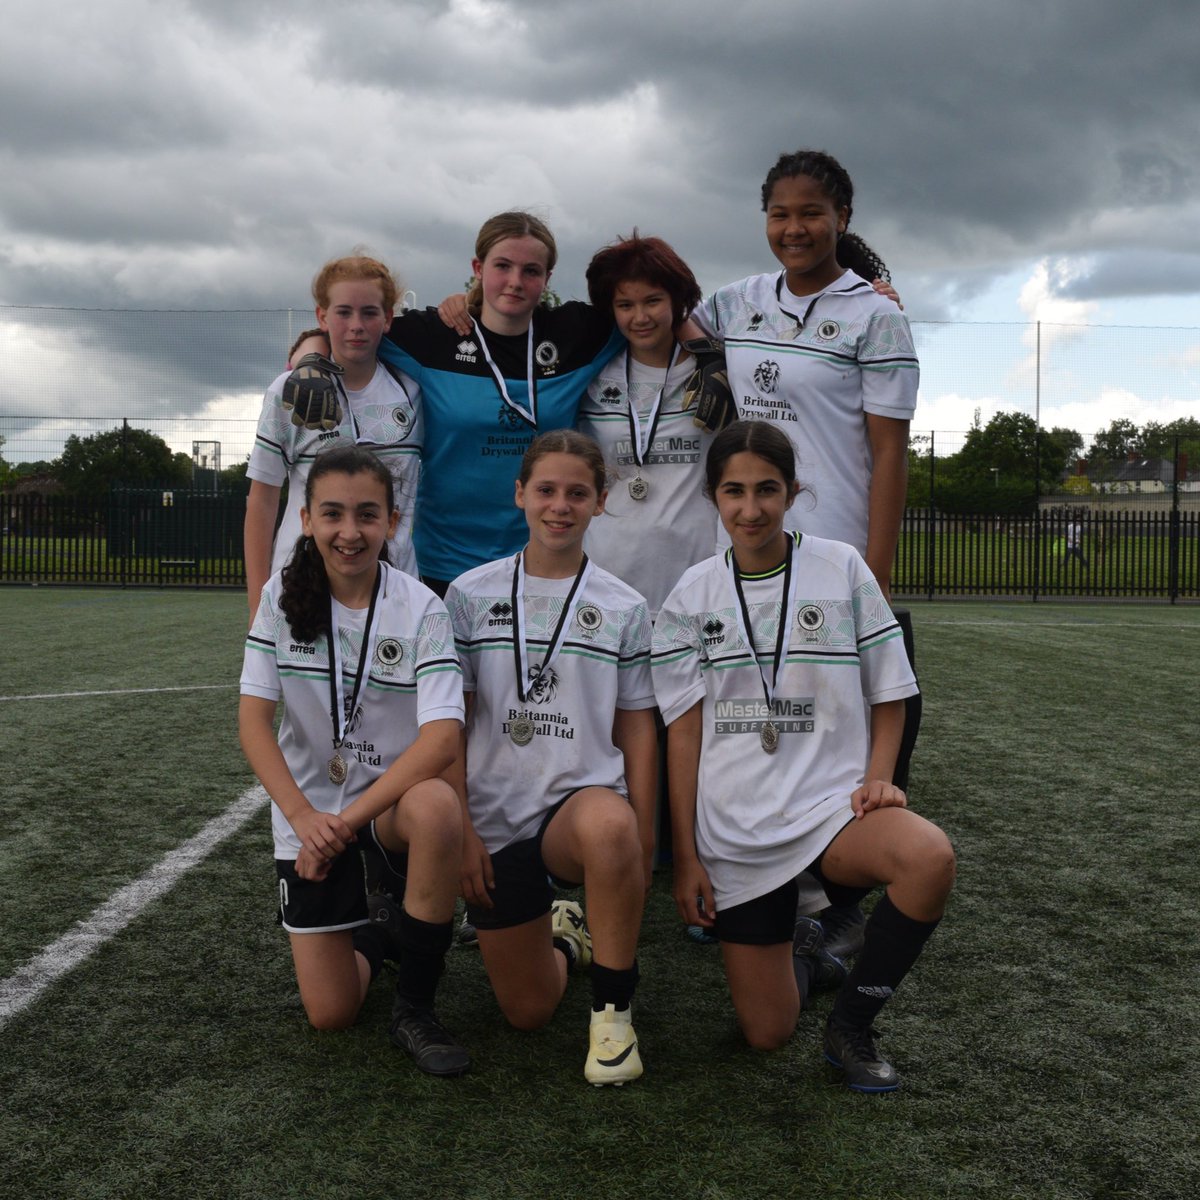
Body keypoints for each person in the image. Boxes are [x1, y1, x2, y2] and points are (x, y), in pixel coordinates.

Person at [651, 421, 954, 1092]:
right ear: (712, 496)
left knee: (928, 857)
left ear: (793, 492)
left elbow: (891, 693)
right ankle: (814, 954)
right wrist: (689, 855)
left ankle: (851, 1028)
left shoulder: (840, 567)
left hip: (830, 810)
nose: (750, 509)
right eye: (734, 491)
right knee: (766, 1033)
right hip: (737, 829)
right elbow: (683, 734)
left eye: (767, 490)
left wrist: (879, 779)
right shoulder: (688, 597)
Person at [687, 148, 923, 970]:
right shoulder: (736, 302)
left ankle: (844, 909)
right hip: (751, 551)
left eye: (811, 213)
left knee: (858, 724)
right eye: (780, 214)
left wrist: (878, 571)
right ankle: (754, 877)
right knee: (759, 716)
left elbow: (889, 453)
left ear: (842, 221)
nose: (795, 228)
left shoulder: (876, 316)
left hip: (839, 554)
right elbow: (646, 316)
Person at [239, 445, 470, 1076]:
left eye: (368, 515)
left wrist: (345, 824)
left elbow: (442, 737)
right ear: (306, 519)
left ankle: (415, 1009)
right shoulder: (280, 600)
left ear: (392, 523)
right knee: (331, 1013)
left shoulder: (421, 605)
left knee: (438, 807)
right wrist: (303, 815)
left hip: (387, 806)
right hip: (308, 813)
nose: (350, 532)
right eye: (333, 514)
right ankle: (381, 930)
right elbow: (253, 722)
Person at [444, 430, 657, 1086]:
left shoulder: (625, 606)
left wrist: (643, 836)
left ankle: (614, 1022)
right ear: (519, 495)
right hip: (495, 820)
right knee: (528, 1011)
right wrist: (461, 829)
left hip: (578, 808)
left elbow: (639, 728)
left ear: (600, 502)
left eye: (577, 493)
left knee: (611, 826)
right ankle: (563, 934)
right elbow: (451, 723)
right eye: (546, 490)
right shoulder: (469, 595)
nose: (559, 505)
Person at [286, 212, 623, 594]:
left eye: (531, 271)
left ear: (547, 278)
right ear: (478, 268)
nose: (515, 281)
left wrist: (705, 349)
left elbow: (651, 313)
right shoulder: (437, 336)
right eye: (502, 266)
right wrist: (310, 359)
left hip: (542, 559)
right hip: (447, 563)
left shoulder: (575, 334)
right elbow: (347, 329)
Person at [244, 254, 421, 621]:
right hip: (301, 591)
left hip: (396, 595)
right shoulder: (288, 391)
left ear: (388, 318)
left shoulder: (413, 391)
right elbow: (261, 502)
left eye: (370, 313)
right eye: (343, 312)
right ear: (321, 317)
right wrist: (256, 608)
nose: (356, 325)